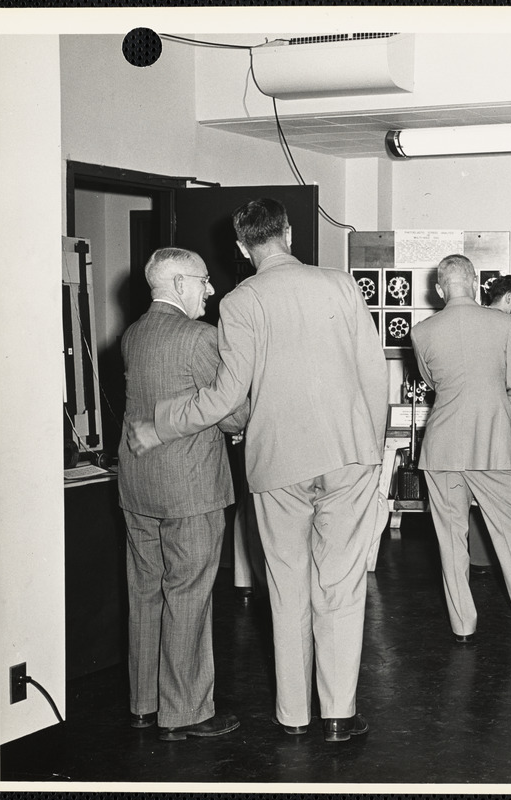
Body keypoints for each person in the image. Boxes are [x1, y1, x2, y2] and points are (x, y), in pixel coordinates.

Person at [128, 198, 388, 742]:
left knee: (286, 586)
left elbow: (226, 395)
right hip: (348, 457)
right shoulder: (341, 285)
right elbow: (374, 376)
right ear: (289, 233)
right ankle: (339, 715)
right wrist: (372, 447)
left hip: (276, 466)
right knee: (340, 586)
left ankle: (293, 715)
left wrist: (160, 423)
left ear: (244, 248)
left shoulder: (241, 302)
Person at [118, 247, 248, 741]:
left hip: (138, 484)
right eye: (204, 281)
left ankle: (144, 705)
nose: (210, 290)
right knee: (189, 595)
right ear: (177, 284)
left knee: (146, 593)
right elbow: (232, 411)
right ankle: (187, 712)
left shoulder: (133, 335)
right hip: (190, 488)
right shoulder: (200, 338)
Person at [411, 255, 511, 641]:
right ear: (477, 281)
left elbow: (431, 382)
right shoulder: (502, 323)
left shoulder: (422, 331)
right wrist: (496, 415)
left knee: (450, 539)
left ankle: (463, 625)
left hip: (442, 447)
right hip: (493, 444)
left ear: (439, 289)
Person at [467, 274, 511, 576]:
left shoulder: (470, 321)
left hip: (464, 428)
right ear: (509, 299)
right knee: (508, 505)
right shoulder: (507, 325)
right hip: (497, 427)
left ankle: (478, 559)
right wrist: (508, 416)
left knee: (471, 501)